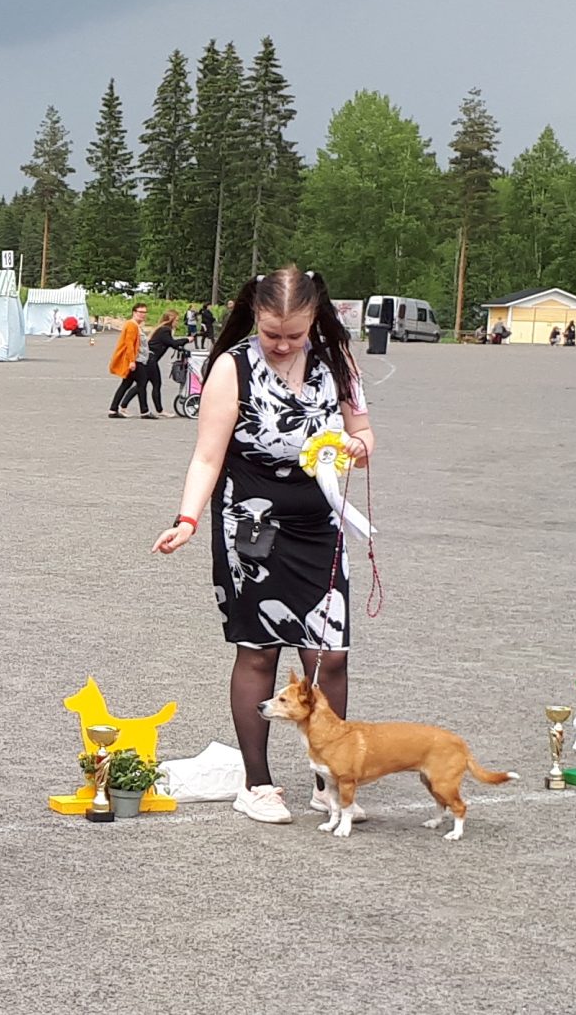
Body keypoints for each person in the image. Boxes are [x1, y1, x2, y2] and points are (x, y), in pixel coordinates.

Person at [152, 266, 374, 825]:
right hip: (251, 526)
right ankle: (258, 783)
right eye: (272, 332)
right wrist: (187, 519)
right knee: (259, 650)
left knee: (331, 655)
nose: (281, 344)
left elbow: (364, 431)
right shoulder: (231, 367)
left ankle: (329, 781)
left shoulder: (338, 361)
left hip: (320, 524)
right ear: (255, 315)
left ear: (314, 319)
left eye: (294, 334)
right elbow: (208, 456)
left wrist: (358, 446)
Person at [106, 303, 150, 419]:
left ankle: (113, 409)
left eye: (144, 312)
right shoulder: (131, 325)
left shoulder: (136, 325)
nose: (143, 314)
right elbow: (129, 343)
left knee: (126, 384)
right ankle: (144, 411)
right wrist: (131, 361)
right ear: (134, 312)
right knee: (142, 383)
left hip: (138, 359)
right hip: (136, 360)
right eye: (140, 312)